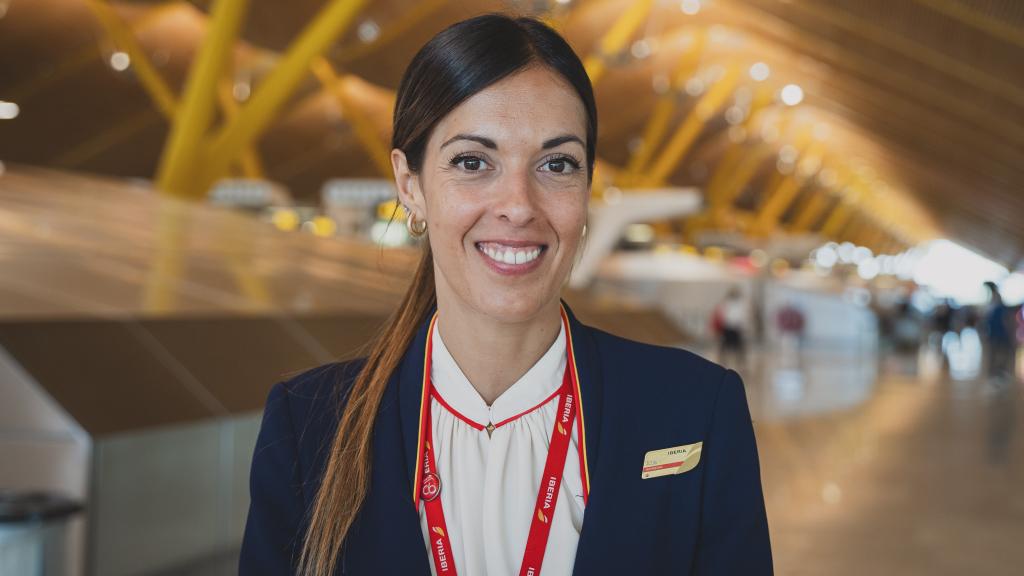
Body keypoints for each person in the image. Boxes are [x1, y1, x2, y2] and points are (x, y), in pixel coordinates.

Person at [240, 14, 772, 576]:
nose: (518, 205)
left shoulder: (693, 409)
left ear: (587, 188)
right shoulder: (310, 428)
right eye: (473, 162)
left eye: (556, 163)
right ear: (410, 184)